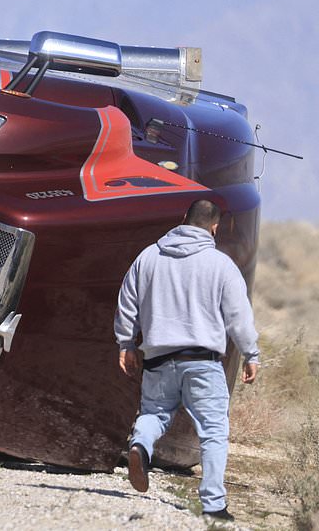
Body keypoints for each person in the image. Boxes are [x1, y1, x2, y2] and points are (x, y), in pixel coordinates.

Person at [114, 199, 260, 524]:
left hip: (158, 358)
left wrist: (126, 343)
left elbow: (127, 302)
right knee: (213, 431)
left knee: (153, 414)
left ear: (183, 219)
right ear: (214, 227)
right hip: (202, 362)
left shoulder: (149, 256)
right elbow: (238, 316)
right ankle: (213, 505)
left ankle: (140, 446)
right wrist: (251, 353)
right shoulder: (221, 265)